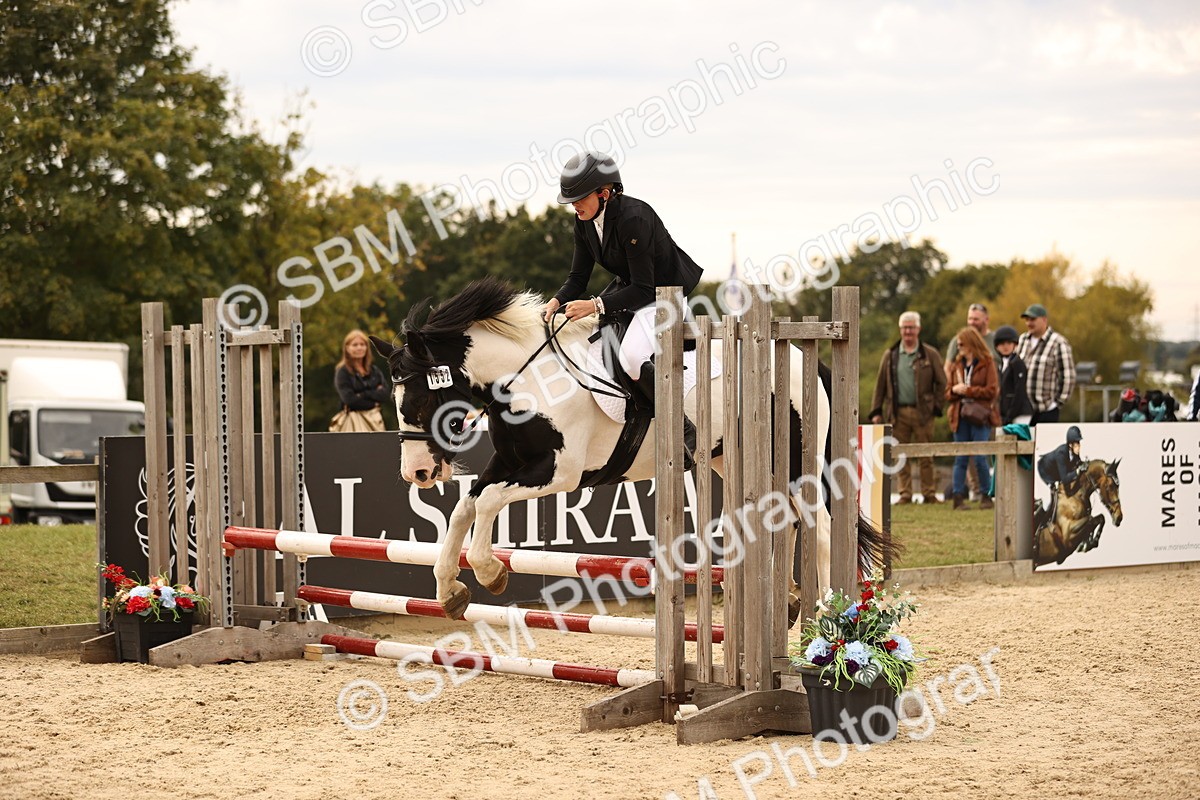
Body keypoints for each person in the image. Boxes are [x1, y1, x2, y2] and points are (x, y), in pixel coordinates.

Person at [542, 151, 703, 409]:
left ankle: (681, 425)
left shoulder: (634, 219)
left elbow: (644, 288)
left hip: (664, 294)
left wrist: (593, 306)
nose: (574, 205)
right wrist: (556, 300)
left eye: (579, 199)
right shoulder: (583, 221)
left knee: (631, 356)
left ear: (603, 194)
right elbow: (578, 277)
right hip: (633, 290)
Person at [869, 311, 947, 504]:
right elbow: (880, 385)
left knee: (925, 453)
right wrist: (876, 410)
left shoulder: (930, 354)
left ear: (918, 329)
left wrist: (936, 407)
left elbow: (942, 382)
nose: (908, 331)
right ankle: (905, 493)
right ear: (900, 330)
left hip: (923, 413)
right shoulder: (891, 355)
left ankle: (929, 493)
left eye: (911, 327)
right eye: (905, 327)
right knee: (900, 454)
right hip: (897, 413)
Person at [946, 327, 999, 511]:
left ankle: (986, 495)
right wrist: (954, 390)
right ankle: (958, 496)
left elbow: (992, 390)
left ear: (971, 343)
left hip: (980, 416)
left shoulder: (987, 362)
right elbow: (947, 392)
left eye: (961, 344)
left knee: (980, 456)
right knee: (960, 457)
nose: (958, 347)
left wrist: (968, 390)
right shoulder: (956, 365)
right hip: (960, 415)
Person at [1015, 303, 1075, 425]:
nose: (1028, 323)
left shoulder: (1058, 343)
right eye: (1027, 320)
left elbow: (1068, 376)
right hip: (1022, 411)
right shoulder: (1022, 340)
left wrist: (1057, 403)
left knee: (1044, 444)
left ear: (1044, 320)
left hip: (1046, 411)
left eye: (1032, 319)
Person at [332, 329, 389, 432]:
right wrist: (374, 402)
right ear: (347, 348)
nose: (359, 347)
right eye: (355, 345)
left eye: (362, 344)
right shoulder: (343, 371)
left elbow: (385, 394)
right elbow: (349, 400)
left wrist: (362, 394)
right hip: (353, 422)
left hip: (375, 421)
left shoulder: (374, 370)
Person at [1035, 425, 1086, 528]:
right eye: (1077, 443)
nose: (1079, 446)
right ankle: (1042, 525)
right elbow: (1065, 479)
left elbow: (1079, 464)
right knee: (1050, 498)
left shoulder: (1074, 453)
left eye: (1079, 443)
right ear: (1070, 444)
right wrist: (1077, 471)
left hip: (1056, 472)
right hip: (1045, 472)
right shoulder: (1061, 453)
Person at [994, 325, 1033, 425]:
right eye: (1002, 344)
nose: (1005, 346)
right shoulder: (1001, 365)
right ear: (997, 346)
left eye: (1009, 343)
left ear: (1014, 345)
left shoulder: (1017, 363)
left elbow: (1019, 390)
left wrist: (1010, 415)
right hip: (1007, 413)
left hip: (1020, 412)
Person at [944, 302, 997, 370]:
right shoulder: (958, 340)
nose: (972, 322)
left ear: (986, 320)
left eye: (976, 319)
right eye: (970, 319)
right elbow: (947, 368)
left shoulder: (996, 339)